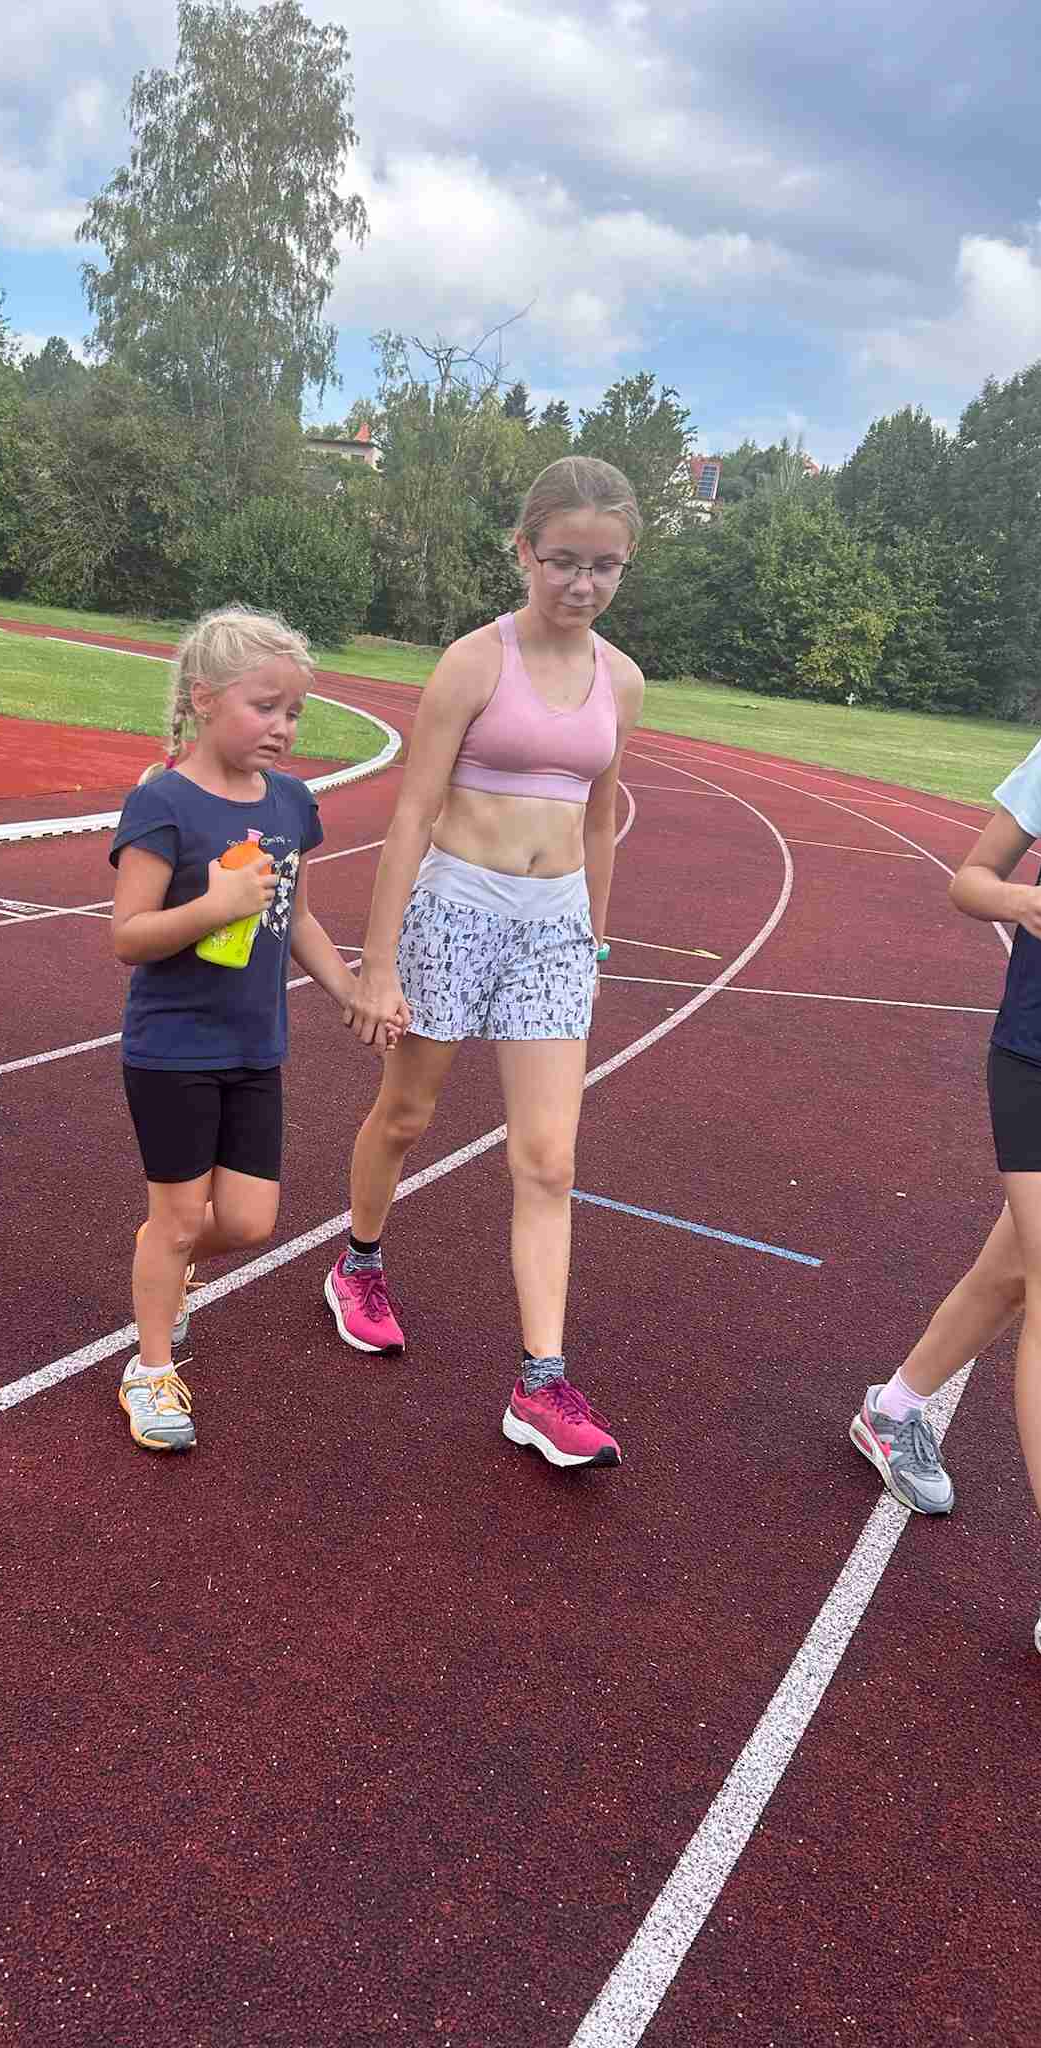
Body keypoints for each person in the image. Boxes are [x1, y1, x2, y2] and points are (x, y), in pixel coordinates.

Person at [324, 456, 645, 1470]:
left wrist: (594, 938)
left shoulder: (622, 680)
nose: (581, 583)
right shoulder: (474, 662)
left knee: (549, 1160)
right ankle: (358, 1263)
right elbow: (412, 812)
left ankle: (540, 1383)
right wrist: (379, 963)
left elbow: (600, 814)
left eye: (604, 566)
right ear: (523, 551)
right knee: (406, 1115)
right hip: (456, 910)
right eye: (563, 561)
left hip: (555, 929)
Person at [109, 607, 401, 1452]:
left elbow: (297, 917)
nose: (283, 727)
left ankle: (163, 1259)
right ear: (204, 700)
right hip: (172, 1049)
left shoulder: (292, 803)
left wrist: (351, 990)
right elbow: (128, 936)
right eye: (264, 706)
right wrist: (214, 906)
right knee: (175, 1218)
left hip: (254, 1048)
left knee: (248, 1222)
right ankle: (150, 1370)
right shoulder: (161, 803)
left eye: (294, 712)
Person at [851, 738, 1041, 1656]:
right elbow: (971, 880)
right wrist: (1026, 903)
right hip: (1038, 1056)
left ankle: (890, 1412)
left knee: (1011, 1275)